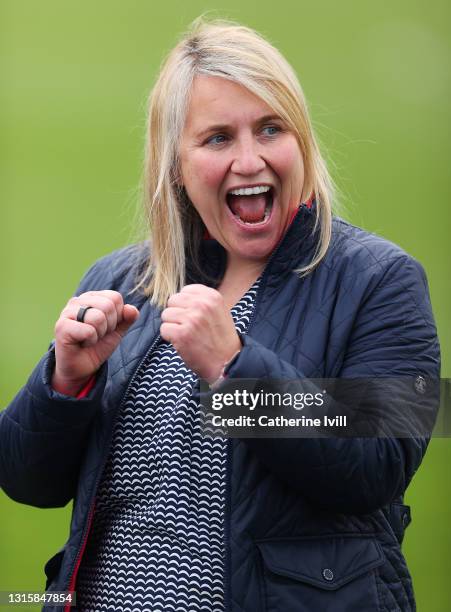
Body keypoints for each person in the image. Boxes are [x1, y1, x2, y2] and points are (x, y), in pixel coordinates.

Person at [0, 18, 440, 612]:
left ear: (302, 142)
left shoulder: (381, 279)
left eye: (270, 129)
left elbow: (377, 467)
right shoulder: (120, 280)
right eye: (217, 139)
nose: (250, 159)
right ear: (174, 164)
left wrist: (235, 372)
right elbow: (27, 480)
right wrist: (65, 381)